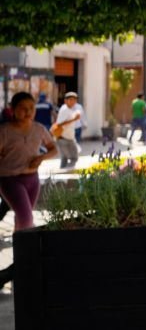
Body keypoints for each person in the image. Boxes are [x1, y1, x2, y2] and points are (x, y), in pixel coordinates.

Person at [0, 92, 58, 286]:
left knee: (21, 220)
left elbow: (54, 149)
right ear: (13, 109)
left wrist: (41, 157)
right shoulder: (5, 131)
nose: (28, 112)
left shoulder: (39, 129)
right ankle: (26, 262)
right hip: (9, 179)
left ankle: (19, 263)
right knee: (26, 219)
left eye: (31, 108)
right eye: (23, 108)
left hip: (32, 179)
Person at [54, 92, 84, 168]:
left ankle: (62, 174)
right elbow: (59, 124)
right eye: (70, 99)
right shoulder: (64, 109)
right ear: (65, 101)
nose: (73, 101)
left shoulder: (70, 109)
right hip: (63, 138)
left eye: (74, 100)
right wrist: (74, 119)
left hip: (69, 137)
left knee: (65, 158)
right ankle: (67, 173)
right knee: (74, 158)